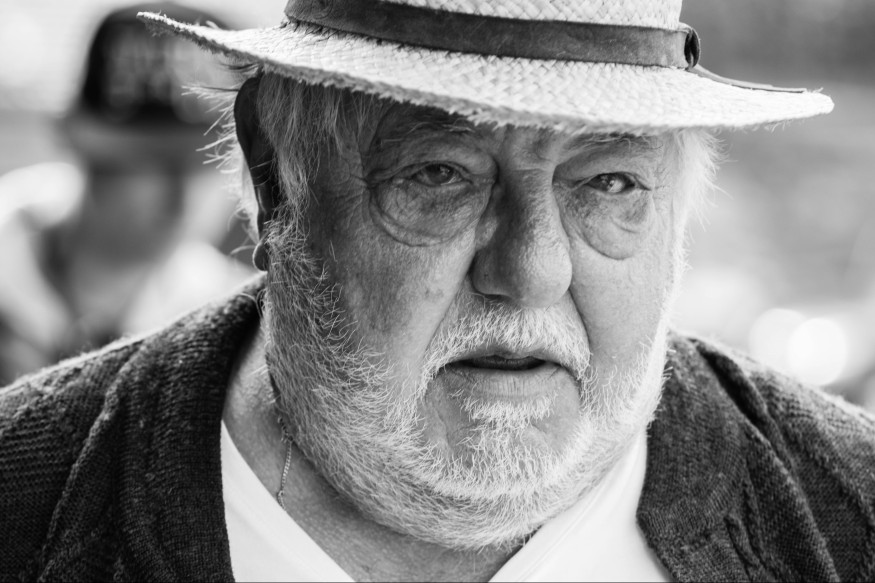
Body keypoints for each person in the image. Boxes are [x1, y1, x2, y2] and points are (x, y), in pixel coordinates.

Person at [1, 0, 873, 581]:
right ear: (275, 179)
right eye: (440, 173)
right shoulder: (23, 499)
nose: (531, 270)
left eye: (608, 183)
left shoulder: (849, 513)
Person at [0, 3, 253, 385]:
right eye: (154, 161)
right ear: (77, 138)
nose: (183, 196)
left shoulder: (233, 322)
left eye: (213, 161)